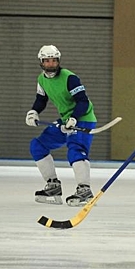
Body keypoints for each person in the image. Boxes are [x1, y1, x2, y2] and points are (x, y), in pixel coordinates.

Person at [25, 45, 97, 207]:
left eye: (54, 61)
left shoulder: (70, 78)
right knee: (38, 145)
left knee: (75, 149)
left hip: (83, 118)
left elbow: (83, 102)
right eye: (47, 61)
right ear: (41, 62)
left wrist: (74, 118)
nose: (51, 64)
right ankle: (53, 186)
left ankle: (84, 189)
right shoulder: (41, 79)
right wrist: (34, 111)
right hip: (66, 120)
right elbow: (41, 99)